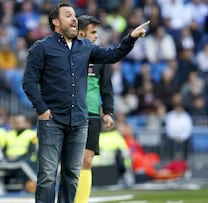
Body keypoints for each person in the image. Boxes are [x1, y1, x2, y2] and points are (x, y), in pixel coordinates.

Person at [22, 2, 149, 203]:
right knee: (47, 175)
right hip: (52, 120)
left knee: (72, 175)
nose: (74, 18)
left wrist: (130, 38)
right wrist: (42, 108)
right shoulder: (42, 48)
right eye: (67, 15)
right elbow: (29, 81)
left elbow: (112, 55)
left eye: (74, 15)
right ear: (56, 22)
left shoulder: (86, 47)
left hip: (79, 121)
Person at [73, 15, 115, 203]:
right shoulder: (67, 55)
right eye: (93, 32)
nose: (97, 36)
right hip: (70, 114)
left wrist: (107, 112)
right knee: (69, 163)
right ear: (81, 33)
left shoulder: (100, 57)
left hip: (91, 115)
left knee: (86, 161)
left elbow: (106, 87)